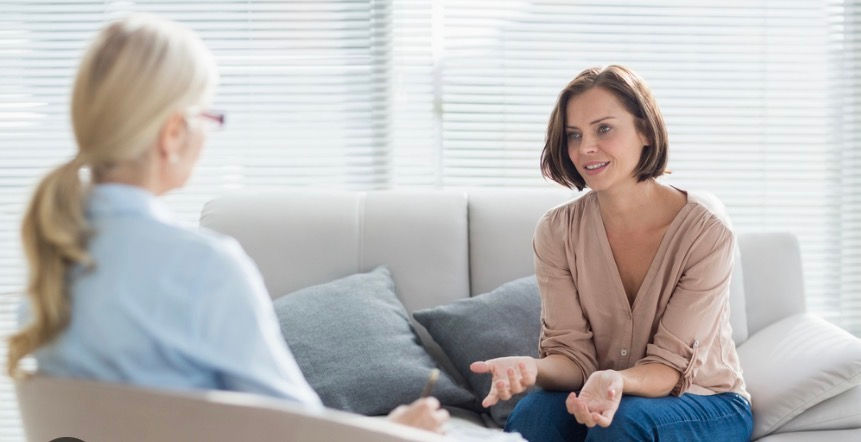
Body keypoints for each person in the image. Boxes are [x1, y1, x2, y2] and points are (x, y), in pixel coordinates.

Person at [5, 14, 448, 434]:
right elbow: (299, 434)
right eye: (206, 117)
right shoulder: (202, 268)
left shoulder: (51, 269)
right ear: (173, 133)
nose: (208, 133)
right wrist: (390, 432)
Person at [469, 65, 753, 441]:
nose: (585, 148)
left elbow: (669, 369)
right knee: (535, 412)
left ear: (646, 132)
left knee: (622, 421)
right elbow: (573, 358)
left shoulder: (706, 233)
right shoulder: (557, 232)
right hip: (600, 390)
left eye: (604, 128)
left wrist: (615, 380)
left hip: (704, 400)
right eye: (574, 135)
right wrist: (532, 369)